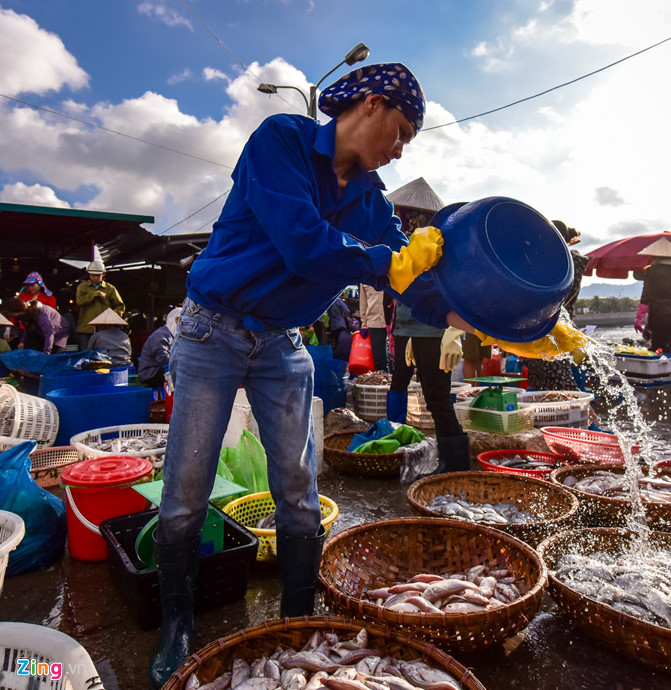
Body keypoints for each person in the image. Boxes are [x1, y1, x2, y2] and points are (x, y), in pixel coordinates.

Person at [147, 63, 458, 689]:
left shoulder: (369, 199)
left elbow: (410, 274)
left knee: (298, 485)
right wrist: (391, 264)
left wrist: (465, 309)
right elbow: (303, 243)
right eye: (400, 133)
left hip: (283, 342)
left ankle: (296, 620)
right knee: (186, 488)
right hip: (212, 330)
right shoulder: (280, 140)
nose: (398, 152)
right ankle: (175, 622)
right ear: (370, 105)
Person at [387, 302, 468, 473]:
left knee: (438, 399)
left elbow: (456, 284)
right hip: (419, 327)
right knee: (433, 398)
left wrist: (454, 331)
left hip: (435, 328)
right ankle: (450, 464)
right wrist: (411, 334)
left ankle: (455, 468)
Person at [523, 220, 587, 390]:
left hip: (550, 326)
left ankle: (576, 411)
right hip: (559, 326)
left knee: (557, 378)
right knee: (559, 380)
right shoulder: (573, 261)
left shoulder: (563, 261)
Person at [76, 260, 125, 351]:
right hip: (85, 329)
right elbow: (79, 301)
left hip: (104, 329)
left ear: (103, 274)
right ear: (89, 274)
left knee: (102, 355)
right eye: (92, 275)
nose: (95, 277)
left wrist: (110, 317)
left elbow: (120, 306)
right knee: (85, 356)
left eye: (97, 275)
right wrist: (96, 294)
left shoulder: (110, 289)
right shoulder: (82, 287)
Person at [1, 298, 71, 354]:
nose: (11, 316)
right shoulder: (23, 315)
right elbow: (28, 328)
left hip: (58, 334)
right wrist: (22, 341)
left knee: (50, 357)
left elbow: (49, 333)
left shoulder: (42, 314)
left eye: (11, 314)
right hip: (42, 335)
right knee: (38, 352)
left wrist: (46, 352)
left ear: (18, 311)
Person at [138, 308, 181, 388]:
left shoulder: (170, 336)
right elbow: (163, 359)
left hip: (159, 371)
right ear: (177, 320)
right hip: (150, 374)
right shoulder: (160, 336)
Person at [359, 284, 388, 371]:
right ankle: (383, 380)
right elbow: (363, 302)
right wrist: (364, 324)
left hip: (393, 321)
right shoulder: (365, 278)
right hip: (374, 321)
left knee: (399, 357)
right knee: (379, 359)